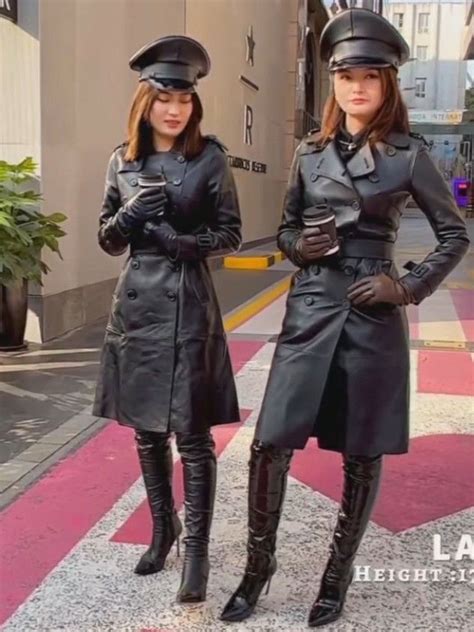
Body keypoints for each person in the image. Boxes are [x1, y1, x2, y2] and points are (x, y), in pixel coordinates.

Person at [220, 8, 469, 627]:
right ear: (332, 83)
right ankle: (258, 567)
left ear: (387, 85)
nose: (356, 86)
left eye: (370, 75)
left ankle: (336, 577)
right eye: (346, 75)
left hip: (371, 311)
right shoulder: (309, 153)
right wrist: (295, 248)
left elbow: (452, 235)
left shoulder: (410, 156)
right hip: (310, 308)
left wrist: (405, 287)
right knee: (270, 442)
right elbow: (283, 229)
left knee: (362, 452)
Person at [93, 35, 242, 604]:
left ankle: (196, 553)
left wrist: (186, 242)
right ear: (145, 102)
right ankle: (163, 531)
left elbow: (229, 231)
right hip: (136, 307)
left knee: (193, 436)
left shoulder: (210, 159)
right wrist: (130, 215)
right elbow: (107, 239)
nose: (175, 109)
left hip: (188, 302)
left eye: (184, 99)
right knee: (147, 433)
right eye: (164, 98)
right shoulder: (121, 159)